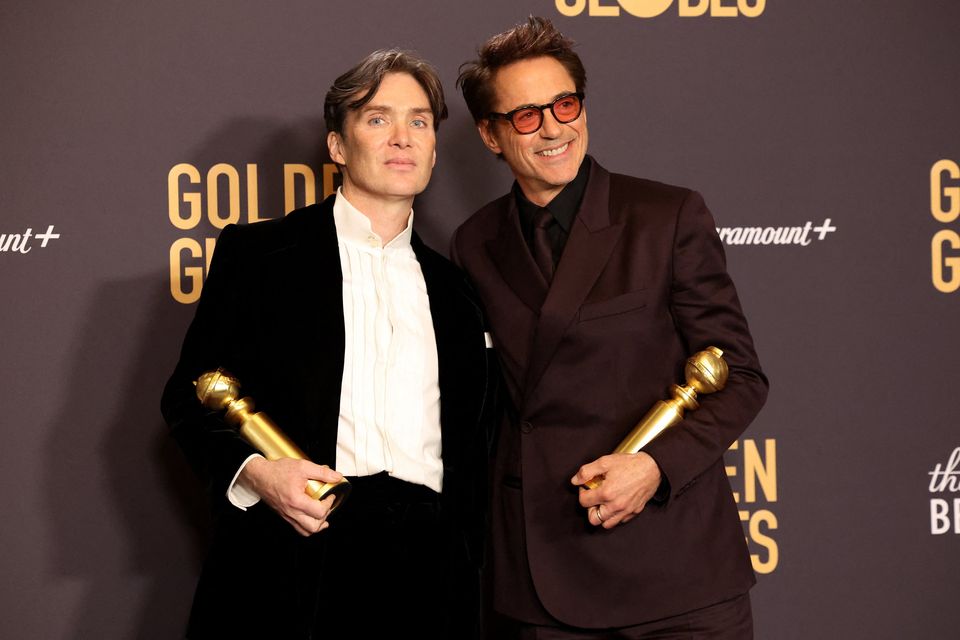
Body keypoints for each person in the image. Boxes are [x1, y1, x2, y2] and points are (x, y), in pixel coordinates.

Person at [161, 49, 495, 639]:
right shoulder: (260, 256)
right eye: (377, 118)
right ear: (337, 146)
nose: (402, 137)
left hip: (431, 576)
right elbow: (192, 396)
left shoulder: (458, 289)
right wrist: (260, 475)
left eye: (419, 121)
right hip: (294, 560)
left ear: (435, 148)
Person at [452, 17, 769, 639]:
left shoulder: (665, 217)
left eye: (565, 104)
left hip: (675, 573)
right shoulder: (475, 243)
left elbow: (740, 377)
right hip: (542, 572)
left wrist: (654, 467)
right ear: (490, 136)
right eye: (525, 116)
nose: (553, 128)